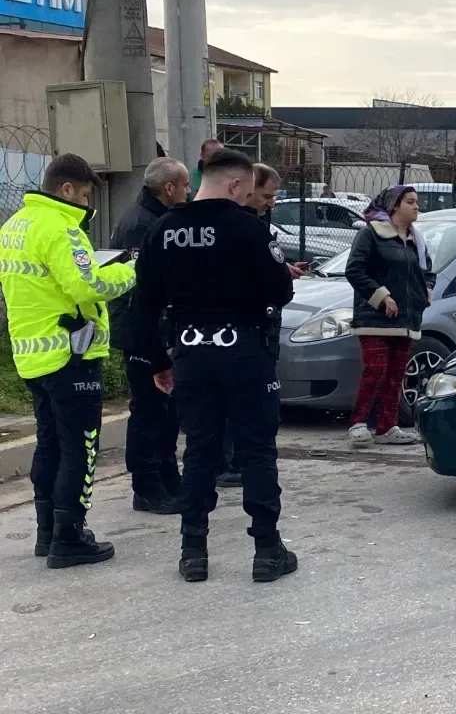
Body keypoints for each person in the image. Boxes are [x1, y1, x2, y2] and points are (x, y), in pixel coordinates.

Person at [132, 149, 297, 583]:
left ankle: (193, 551)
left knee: (200, 449)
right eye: (246, 190)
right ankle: (266, 550)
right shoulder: (249, 228)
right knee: (257, 448)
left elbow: (143, 304)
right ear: (237, 184)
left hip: (189, 351)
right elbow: (280, 291)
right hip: (242, 349)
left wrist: (157, 359)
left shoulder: (164, 229)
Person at [0, 154, 137, 568]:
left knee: (50, 442)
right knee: (80, 446)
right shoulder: (61, 228)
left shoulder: (14, 225)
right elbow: (87, 283)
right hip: (70, 353)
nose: (86, 202)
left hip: (32, 354)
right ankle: (70, 536)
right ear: (66, 190)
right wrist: (132, 271)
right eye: (84, 194)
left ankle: (47, 532)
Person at [109, 157, 190, 515]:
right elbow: (143, 288)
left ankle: (168, 476)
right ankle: (147, 485)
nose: (188, 191)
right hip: (141, 330)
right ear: (168, 188)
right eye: (185, 185)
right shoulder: (142, 224)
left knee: (167, 411)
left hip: (157, 328)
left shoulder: (157, 217)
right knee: (148, 411)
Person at [344, 186, 432, 447]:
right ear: (395, 206)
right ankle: (358, 422)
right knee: (377, 369)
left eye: (417, 202)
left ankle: (387, 427)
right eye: (411, 202)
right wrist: (381, 296)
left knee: (396, 374)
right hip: (374, 318)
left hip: (407, 319)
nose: (417, 207)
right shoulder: (370, 234)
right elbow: (355, 270)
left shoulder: (417, 240)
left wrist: (424, 294)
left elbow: (428, 272)